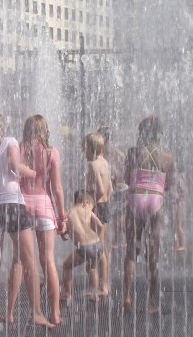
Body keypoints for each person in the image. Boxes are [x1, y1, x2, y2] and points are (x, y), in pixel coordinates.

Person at [0, 112, 54, 329]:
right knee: (27, 257)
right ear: (1, 127)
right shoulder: (9, 141)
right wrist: (33, 173)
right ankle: (36, 312)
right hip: (11, 203)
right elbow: (14, 165)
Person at [11, 115, 66, 326]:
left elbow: (14, 177)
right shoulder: (52, 153)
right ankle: (55, 312)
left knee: (20, 260)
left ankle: (11, 311)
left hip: (22, 205)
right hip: (44, 205)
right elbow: (57, 189)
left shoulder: (20, 150)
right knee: (48, 260)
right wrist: (62, 217)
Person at [122, 116, 175, 313]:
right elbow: (168, 185)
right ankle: (152, 302)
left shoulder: (133, 152)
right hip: (155, 201)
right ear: (159, 133)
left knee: (130, 252)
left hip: (135, 199)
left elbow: (127, 178)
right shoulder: (167, 157)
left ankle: (127, 295)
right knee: (153, 255)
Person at [60, 190, 104, 303]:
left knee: (66, 266)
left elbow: (63, 230)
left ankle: (68, 294)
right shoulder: (87, 211)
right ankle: (94, 293)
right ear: (86, 202)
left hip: (84, 247)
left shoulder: (67, 213)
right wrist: (96, 238)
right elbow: (100, 226)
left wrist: (64, 234)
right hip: (98, 244)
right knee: (91, 268)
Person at [83, 131, 113, 296]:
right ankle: (104, 285)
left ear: (92, 148)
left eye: (85, 148)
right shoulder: (105, 163)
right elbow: (110, 189)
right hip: (105, 207)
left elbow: (100, 190)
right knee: (103, 247)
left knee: (95, 248)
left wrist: (87, 202)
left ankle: (96, 287)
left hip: (96, 208)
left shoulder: (93, 165)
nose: (84, 152)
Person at [98, 126, 128, 250]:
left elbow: (119, 173)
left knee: (115, 216)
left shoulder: (105, 152)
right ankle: (117, 241)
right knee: (117, 215)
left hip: (117, 188)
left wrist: (113, 178)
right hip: (119, 188)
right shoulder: (117, 152)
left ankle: (113, 242)